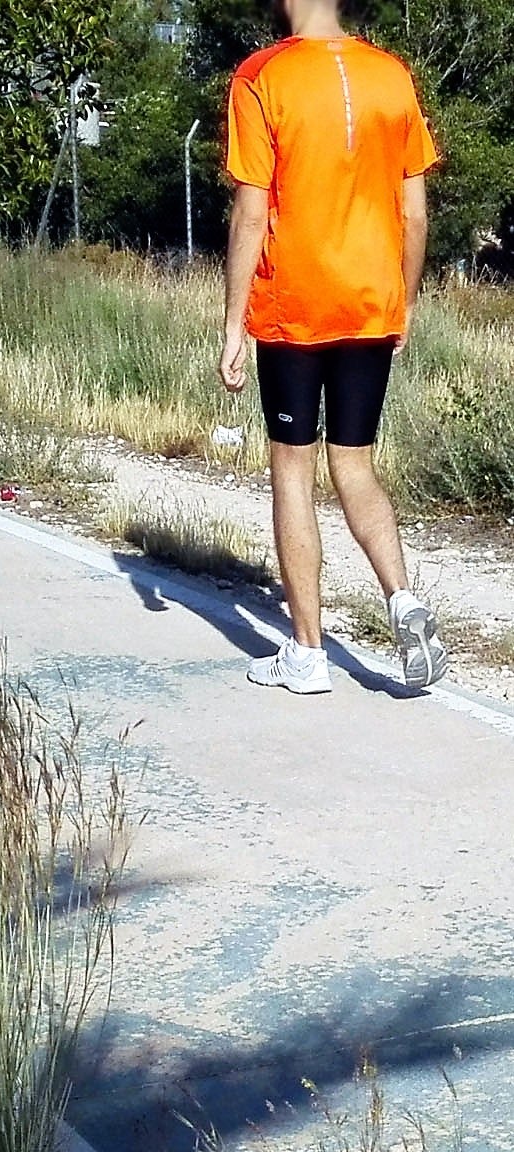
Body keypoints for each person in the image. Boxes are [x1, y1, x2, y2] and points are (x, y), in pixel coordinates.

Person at [219, 0, 447, 694]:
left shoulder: (261, 75)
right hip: (371, 299)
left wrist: (232, 321)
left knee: (293, 469)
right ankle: (402, 598)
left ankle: (308, 654)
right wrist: (404, 301)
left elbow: (251, 210)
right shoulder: (391, 74)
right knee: (354, 463)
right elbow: (414, 213)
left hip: (294, 303)